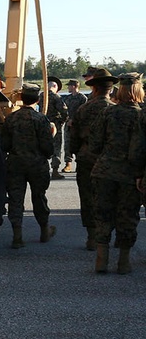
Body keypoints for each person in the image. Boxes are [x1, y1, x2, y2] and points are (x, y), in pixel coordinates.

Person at [89, 73, 145, 274]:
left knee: (103, 214)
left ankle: (101, 261)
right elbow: (140, 149)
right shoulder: (141, 114)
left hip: (104, 171)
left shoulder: (107, 113)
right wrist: (140, 174)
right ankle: (123, 262)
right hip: (130, 175)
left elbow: (94, 143)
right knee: (128, 216)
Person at [1, 84, 55, 248]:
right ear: (37, 99)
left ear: (22, 98)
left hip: (16, 163)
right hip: (37, 164)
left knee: (15, 200)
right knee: (39, 197)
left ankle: (17, 236)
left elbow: (4, 145)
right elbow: (47, 147)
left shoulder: (11, 118)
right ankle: (44, 231)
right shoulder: (40, 119)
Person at [69, 68, 116, 250]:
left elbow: (74, 136)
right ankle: (105, 235)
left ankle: (91, 237)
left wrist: (74, 153)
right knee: (108, 197)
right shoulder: (114, 110)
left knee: (87, 197)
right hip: (109, 160)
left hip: (86, 158)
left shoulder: (83, 108)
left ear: (94, 89)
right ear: (110, 89)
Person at [61, 79, 87, 172]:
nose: (68, 87)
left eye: (69, 86)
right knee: (67, 144)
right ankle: (68, 164)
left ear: (74, 86)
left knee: (79, 144)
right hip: (68, 125)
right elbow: (64, 110)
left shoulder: (82, 98)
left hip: (78, 125)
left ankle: (80, 163)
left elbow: (83, 111)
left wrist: (74, 120)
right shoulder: (67, 98)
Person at [45, 76, 68, 179]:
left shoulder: (41, 96)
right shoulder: (56, 97)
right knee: (56, 148)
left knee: (44, 147)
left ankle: (44, 170)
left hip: (43, 124)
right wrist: (63, 121)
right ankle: (55, 170)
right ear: (54, 86)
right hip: (55, 125)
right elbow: (64, 111)